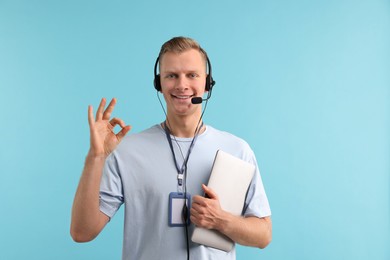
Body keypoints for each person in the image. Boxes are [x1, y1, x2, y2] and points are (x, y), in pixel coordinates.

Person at [70, 36, 272, 260]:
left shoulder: (237, 150)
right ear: (159, 84)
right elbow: (82, 232)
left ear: (207, 83)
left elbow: (263, 235)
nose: (182, 85)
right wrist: (95, 157)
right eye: (171, 76)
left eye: (192, 75)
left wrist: (221, 220)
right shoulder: (128, 151)